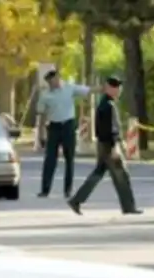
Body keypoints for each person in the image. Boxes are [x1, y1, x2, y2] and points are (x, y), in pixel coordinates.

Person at [66, 75, 142, 216]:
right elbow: (108, 129)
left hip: (104, 145)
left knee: (98, 173)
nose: (119, 89)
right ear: (108, 88)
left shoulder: (105, 104)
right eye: (116, 87)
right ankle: (128, 207)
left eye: (119, 86)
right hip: (109, 145)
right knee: (122, 176)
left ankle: (77, 200)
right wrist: (115, 145)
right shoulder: (107, 106)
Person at [35, 68, 97, 199]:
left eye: (55, 80)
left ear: (58, 78)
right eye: (51, 82)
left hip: (68, 126)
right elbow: (41, 116)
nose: (54, 83)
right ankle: (45, 189)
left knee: (70, 159)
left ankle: (67, 190)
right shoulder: (45, 95)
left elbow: (87, 90)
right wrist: (41, 134)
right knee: (50, 159)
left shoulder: (69, 88)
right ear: (48, 82)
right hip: (54, 127)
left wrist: (104, 89)